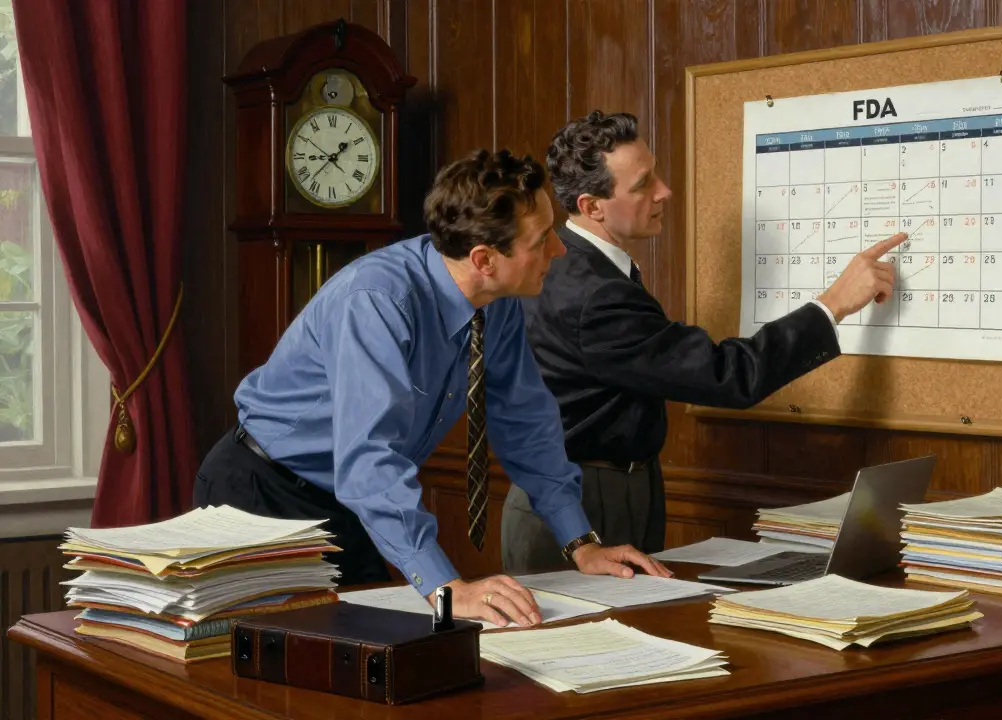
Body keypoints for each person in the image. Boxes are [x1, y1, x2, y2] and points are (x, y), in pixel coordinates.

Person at [194, 147, 669, 628]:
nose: (560, 250)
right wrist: (447, 588)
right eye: (543, 238)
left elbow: (526, 424)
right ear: (484, 257)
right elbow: (369, 458)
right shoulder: (376, 301)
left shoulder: (496, 300)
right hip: (262, 494)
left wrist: (581, 544)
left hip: (346, 505)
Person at [502, 110, 906, 573]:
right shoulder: (593, 292)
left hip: (603, 490)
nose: (664, 192)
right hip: (586, 504)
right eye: (643, 184)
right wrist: (833, 303)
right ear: (592, 206)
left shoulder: (571, 264)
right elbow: (728, 376)